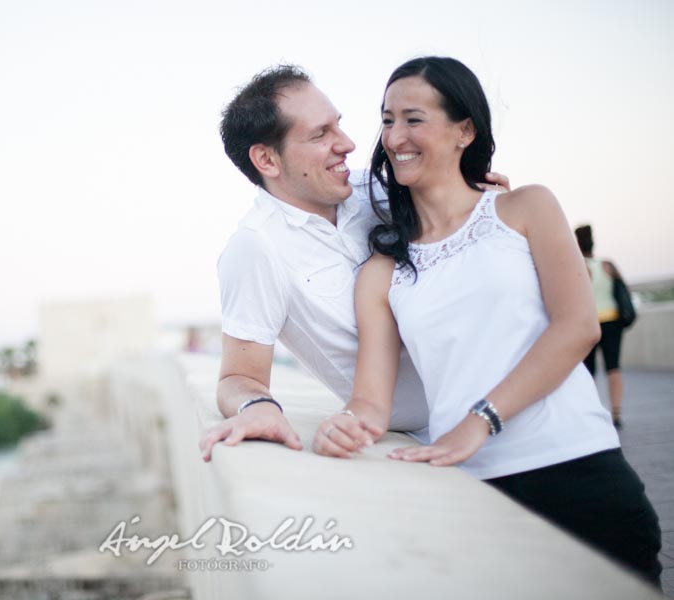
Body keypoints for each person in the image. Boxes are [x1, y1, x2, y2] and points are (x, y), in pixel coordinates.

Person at [319, 56, 660, 584]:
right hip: (475, 496)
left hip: (581, 474)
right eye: (387, 120)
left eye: (414, 118)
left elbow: (577, 326)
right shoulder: (381, 272)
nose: (394, 136)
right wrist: (344, 427)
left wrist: (479, 421)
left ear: (465, 130)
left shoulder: (525, 209)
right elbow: (371, 400)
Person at [199, 65, 509, 462]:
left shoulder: (384, 189)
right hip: (428, 441)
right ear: (266, 160)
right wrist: (259, 409)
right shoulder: (257, 248)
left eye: (338, 126)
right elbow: (239, 376)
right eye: (320, 134)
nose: (346, 144)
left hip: (507, 401)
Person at [574, 224, 628, 428]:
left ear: (577, 243)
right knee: (613, 367)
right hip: (613, 322)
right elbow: (624, 292)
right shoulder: (607, 265)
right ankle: (616, 414)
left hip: (590, 323)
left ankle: (595, 412)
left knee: (589, 370)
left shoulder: (579, 266)